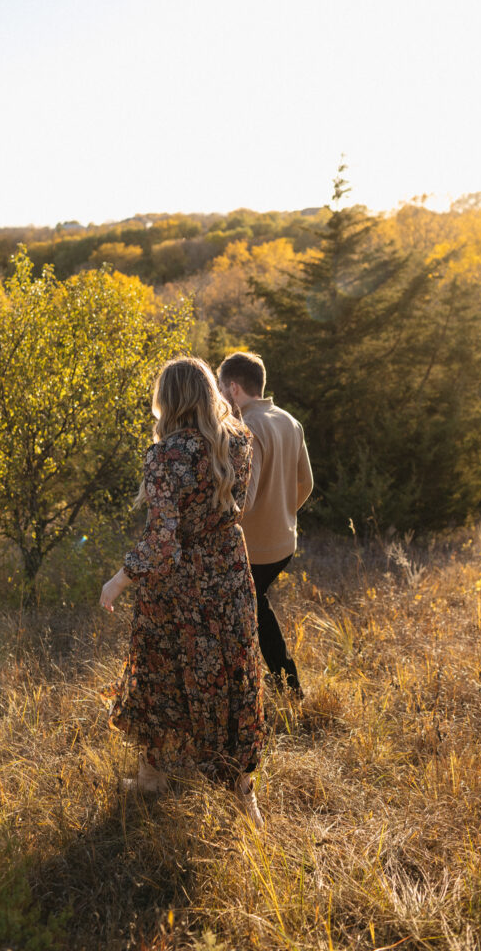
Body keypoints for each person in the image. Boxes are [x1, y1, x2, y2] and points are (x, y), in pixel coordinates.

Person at [100, 357, 266, 825]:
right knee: (231, 677)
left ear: (167, 400)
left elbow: (162, 543)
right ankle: (241, 792)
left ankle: (154, 778)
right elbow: (238, 504)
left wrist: (117, 580)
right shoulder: (238, 441)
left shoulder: (165, 456)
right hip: (229, 573)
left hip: (181, 587)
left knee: (161, 675)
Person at [218, 352, 313, 699]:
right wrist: (284, 514)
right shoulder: (289, 420)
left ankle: (285, 687)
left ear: (233, 387)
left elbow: (245, 499)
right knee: (256, 608)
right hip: (284, 544)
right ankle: (285, 687)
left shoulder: (245, 427)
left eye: (219, 387)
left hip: (252, 550)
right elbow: (307, 483)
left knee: (246, 614)